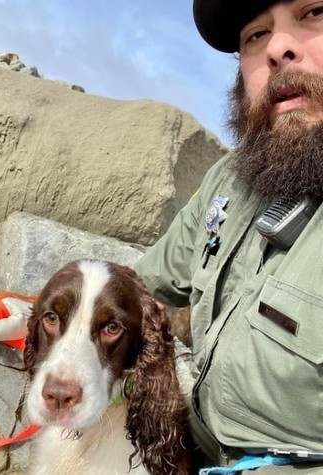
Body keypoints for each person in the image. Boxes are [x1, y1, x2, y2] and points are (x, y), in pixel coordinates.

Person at [134, 0, 323, 472]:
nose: (278, 48)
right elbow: (143, 285)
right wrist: (46, 315)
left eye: (315, 12)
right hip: (191, 445)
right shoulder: (230, 180)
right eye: (255, 36)